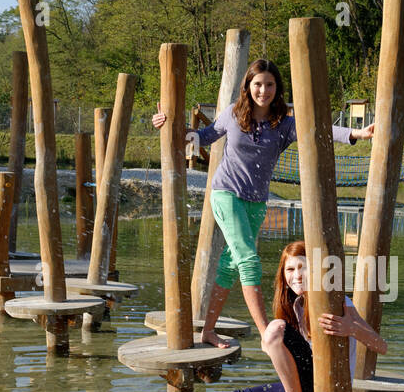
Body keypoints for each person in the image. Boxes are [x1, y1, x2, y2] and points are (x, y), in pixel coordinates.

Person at [151, 59, 374, 348]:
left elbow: (319, 131)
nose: (263, 90)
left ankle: (207, 331)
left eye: (270, 85)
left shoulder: (283, 124)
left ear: (277, 89)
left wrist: (356, 133)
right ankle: (265, 333)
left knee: (231, 265)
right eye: (258, 84)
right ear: (248, 86)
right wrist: (169, 127)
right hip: (226, 194)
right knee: (249, 261)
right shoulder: (232, 114)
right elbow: (201, 138)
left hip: (256, 203)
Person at [211, 240, 387, 392]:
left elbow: (381, 346)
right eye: (290, 269)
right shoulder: (294, 306)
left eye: (303, 268)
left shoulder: (339, 303)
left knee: (274, 328)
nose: (296, 276)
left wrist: (351, 328)